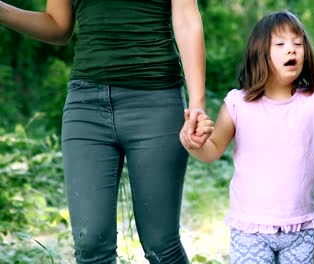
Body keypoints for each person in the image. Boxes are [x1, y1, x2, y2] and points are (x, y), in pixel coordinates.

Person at [0, 0, 205, 263]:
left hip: (156, 100)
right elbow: (58, 25)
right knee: (90, 244)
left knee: (160, 244)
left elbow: (186, 19)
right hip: (85, 105)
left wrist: (197, 102)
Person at [180, 10, 314, 264]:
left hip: (301, 229)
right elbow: (211, 150)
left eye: (298, 44)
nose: (291, 50)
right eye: (280, 44)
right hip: (251, 230)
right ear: (259, 54)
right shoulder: (238, 103)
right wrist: (194, 142)